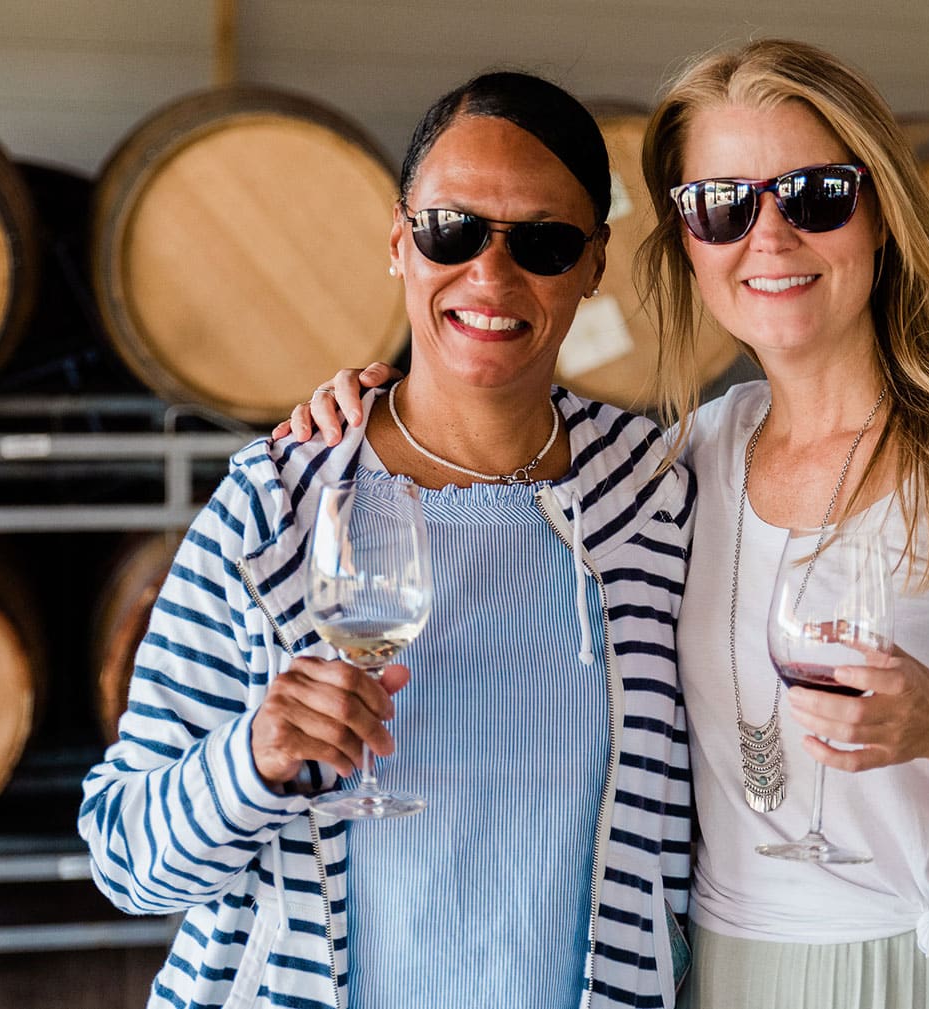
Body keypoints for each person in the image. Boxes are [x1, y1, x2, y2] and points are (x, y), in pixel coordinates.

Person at [284, 38, 929, 1009]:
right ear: (687, 240)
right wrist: (371, 403)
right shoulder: (682, 463)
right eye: (721, 207)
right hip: (723, 973)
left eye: (813, 195)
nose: (767, 238)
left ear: (881, 210)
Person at [80, 71, 698, 1009]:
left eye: (542, 241)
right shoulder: (280, 501)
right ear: (399, 240)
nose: (490, 277)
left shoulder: (654, 494)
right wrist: (253, 757)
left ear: (594, 263)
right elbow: (125, 861)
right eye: (452, 231)